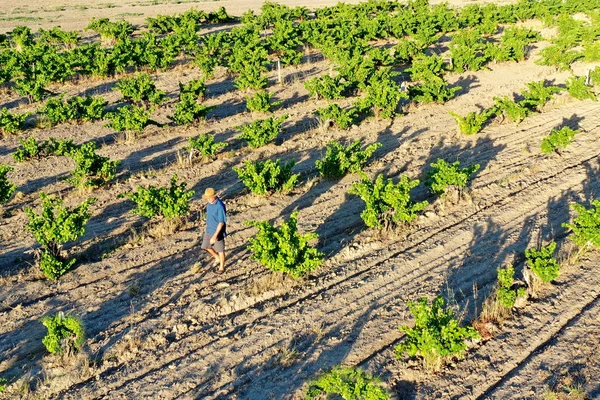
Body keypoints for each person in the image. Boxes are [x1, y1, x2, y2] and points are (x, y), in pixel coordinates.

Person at [201, 187, 227, 274]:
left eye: (209, 198)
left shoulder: (219, 206)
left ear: (214, 196)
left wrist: (214, 236)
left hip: (217, 232)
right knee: (205, 246)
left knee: (220, 250)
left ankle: (222, 267)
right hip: (209, 230)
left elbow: (221, 223)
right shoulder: (209, 204)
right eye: (207, 198)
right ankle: (217, 258)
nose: (208, 199)